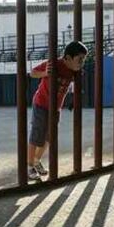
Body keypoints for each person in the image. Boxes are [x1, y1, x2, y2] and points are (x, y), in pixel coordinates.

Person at [28, 41, 88, 180]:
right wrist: (44, 73)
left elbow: (77, 87)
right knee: (37, 135)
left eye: (83, 59)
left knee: (49, 137)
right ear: (67, 58)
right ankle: (29, 165)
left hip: (56, 107)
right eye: (80, 59)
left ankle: (37, 161)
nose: (82, 62)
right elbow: (32, 73)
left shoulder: (75, 71)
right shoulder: (53, 64)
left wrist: (74, 100)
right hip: (41, 103)